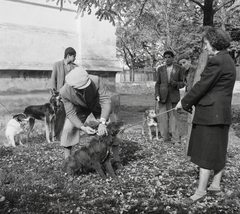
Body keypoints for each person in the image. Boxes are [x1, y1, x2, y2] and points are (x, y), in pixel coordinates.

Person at [176, 27, 236, 204]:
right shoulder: (228, 59)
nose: (205, 47)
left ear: (214, 43)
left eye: (207, 44)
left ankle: (200, 191)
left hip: (210, 115)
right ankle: (215, 186)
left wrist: (184, 102)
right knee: (217, 151)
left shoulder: (217, 61)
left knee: (205, 152)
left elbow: (202, 85)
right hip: (221, 114)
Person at [59, 67, 122, 167]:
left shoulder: (96, 80)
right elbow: (70, 113)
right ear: (73, 87)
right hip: (80, 108)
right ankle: (68, 163)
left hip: (97, 105)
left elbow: (105, 101)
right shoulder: (64, 92)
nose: (85, 88)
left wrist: (102, 123)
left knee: (112, 124)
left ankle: (117, 159)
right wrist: (83, 127)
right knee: (68, 129)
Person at [155, 50, 185, 144]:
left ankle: (176, 139)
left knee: (174, 119)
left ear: (173, 58)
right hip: (162, 97)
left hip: (173, 97)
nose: (167, 59)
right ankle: (165, 138)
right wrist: (157, 95)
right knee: (163, 118)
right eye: (165, 57)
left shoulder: (179, 68)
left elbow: (183, 83)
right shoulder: (160, 69)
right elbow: (157, 84)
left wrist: (175, 84)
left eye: (169, 57)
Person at [50, 47, 78, 140]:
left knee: (71, 115)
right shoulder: (57, 65)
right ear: (68, 55)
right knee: (59, 116)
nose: (75, 58)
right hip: (59, 96)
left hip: (71, 95)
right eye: (74, 56)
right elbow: (53, 79)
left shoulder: (75, 67)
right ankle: (57, 135)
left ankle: (69, 135)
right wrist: (54, 94)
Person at [177, 53, 197, 153]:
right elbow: (187, 87)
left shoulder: (196, 70)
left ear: (189, 60)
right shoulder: (186, 72)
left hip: (196, 99)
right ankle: (190, 148)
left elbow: (195, 87)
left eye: (184, 62)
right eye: (180, 64)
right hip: (189, 99)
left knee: (194, 123)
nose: (183, 65)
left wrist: (185, 100)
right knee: (189, 122)